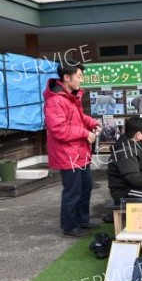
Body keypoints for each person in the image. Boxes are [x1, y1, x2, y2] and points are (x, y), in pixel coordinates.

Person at [44, 62, 101, 238]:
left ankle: (82, 220)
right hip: (67, 154)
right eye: (79, 76)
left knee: (86, 187)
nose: (81, 80)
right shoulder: (55, 100)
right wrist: (85, 132)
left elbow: (78, 118)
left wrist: (93, 123)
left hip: (79, 152)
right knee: (73, 191)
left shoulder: (70, 97)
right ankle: (69, 226)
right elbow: (59, 130)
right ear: (66, 78)